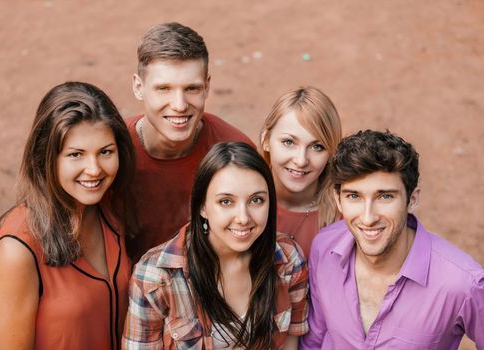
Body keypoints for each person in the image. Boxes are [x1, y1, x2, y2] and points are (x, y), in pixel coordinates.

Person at [0, 82, 137, 350]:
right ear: (46, 157)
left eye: (105, 152)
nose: (94, 169)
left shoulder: (111, 207)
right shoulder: (16, 251)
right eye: (76, 155)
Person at [300, 130, 484, 349]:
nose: (368, 218)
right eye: (354, 196)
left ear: (412, 199)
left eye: (385, 196)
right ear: (338, 200)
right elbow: (314, 342)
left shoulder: (463, 283)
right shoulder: (324, 249)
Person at [122, 142, 308, 349]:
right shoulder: (155, 276)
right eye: (226, 202)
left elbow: (291, 341)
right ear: (202, 206)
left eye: (256, 200)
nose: (243, 218)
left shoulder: (287, 258)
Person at [126, 22, 254, 262]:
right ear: (138, 87)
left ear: (207, 87)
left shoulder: (234, 148)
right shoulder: (110, 151)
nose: (179, 105)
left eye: (191, 88)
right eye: (163, 88)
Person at [260, 86, 342, 256]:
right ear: (266, 140)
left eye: (317, 147)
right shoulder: (241, 203)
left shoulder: (344, 215)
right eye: (289, 142)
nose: (301, 160)